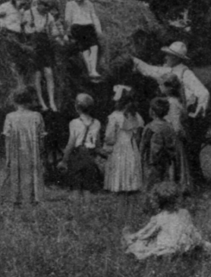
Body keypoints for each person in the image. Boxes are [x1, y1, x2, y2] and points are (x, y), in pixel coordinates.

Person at [132, 41, 210, 183]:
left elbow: (203, 92)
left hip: (178, 116)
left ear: (177, 58)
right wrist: (134, 60)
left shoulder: (185, 73)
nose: (165, 58)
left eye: (169, 55)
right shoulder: (168, 70)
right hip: (170, 114)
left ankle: (176, 179)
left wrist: (198, 111)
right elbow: (150, 70)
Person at [123, 182, 211, 260]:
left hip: (168, 248)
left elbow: (146, 233)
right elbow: (191, 230)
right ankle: (185, 253)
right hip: (184, 246)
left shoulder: (159, 218)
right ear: (177, 199)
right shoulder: (184, 213)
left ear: (157, 202)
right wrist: (200, 242)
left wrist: (135, 236)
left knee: (144, 241)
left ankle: (130, 238)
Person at [103, 86, 144, 224]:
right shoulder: (137, 116)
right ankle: (130, 217)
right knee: (131, 185)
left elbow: (110, 137)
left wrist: (106, 142)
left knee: (121, 186)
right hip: (132, 150)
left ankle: (120, 217)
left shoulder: (114, 117)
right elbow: (138, 136)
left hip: (120, 151)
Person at [59, 93, 102, 218]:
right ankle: (87, 214)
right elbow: (98, 143)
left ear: (77, 107)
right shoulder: (97, 123)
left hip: (77, 156)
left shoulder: (74, 123)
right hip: (90, 156)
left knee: (76, 188)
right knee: (88, 188)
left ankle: (75, 214)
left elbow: (71, 143)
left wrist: (64, 161)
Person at [3, 87, 46, 206]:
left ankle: (17, 199)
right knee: (33, 174)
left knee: (17, 174)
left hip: (16, 152)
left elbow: (8, 139)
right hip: (33, 151)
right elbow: (41, 137)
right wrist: (41, 152)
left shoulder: (10, 117)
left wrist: (8, 156)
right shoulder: (37, 116)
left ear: (14, 101)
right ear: (30, 101)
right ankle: (33, 199)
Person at [23, 0, 64, 112]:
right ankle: (42, 102)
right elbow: (26, 30)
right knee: (37, 74)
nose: (47, 10)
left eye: (49, 9)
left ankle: (51, 101)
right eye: (45, 7)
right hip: (33, 45)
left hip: (45, 46)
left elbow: (54, 32)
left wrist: (59, 35)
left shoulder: (49, 16)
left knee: (49, 72)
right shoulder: (28, 13)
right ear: (39, 4)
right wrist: (34, 29)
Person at [160, 74, 193, 194]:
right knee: (176, 161)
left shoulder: (172, 103)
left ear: (169, 88)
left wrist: (172, 136)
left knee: (173, 160)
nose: (160, 87)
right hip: (174, 135)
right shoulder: (176, 101)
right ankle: (176, 184)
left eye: (162, 85)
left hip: (173, 136)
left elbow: (176, 123)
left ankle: (175, 186)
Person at [64, 0, 103, 80]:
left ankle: (92, 70)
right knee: (86, 48)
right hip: (77, 27)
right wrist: (67, 32)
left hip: (88, 26)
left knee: (94, 47)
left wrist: (98, 29)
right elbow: (67, 19)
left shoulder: (89, 4)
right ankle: (91, 70)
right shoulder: (70, 4)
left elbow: (94, 17)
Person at [140, 97, 177, 192]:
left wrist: (140, 157)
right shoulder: (169, 126)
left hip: (152, 160)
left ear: (152, 111)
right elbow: (173, 143)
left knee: (151, 181)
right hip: (166, 159)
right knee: (164, 180)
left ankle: (152, 200)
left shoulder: (150, 127)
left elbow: (143, 144)